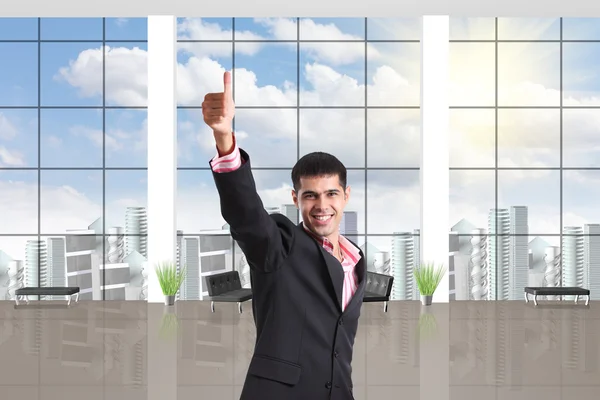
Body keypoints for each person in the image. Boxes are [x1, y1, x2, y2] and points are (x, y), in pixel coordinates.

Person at [203, 71, 365, 400]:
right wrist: (225, 140)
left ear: (346, 196)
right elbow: (246, 215)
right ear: (296, 198)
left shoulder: (356, 259)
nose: (322, 205)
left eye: (331, 194)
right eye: (310, 195)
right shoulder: (281, 246)